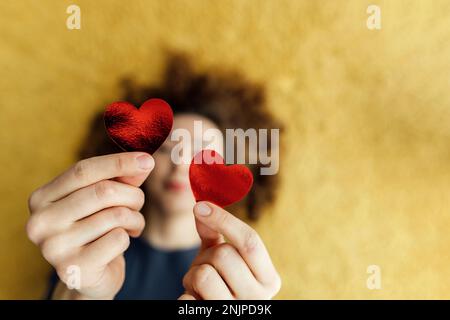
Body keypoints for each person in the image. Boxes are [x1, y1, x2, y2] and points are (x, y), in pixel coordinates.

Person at [26, 54, 283, 300]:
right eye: (168, 149)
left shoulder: (241, 278)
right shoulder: (87, 250)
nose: (181, 164)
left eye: (202, 153)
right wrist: (81, 294)